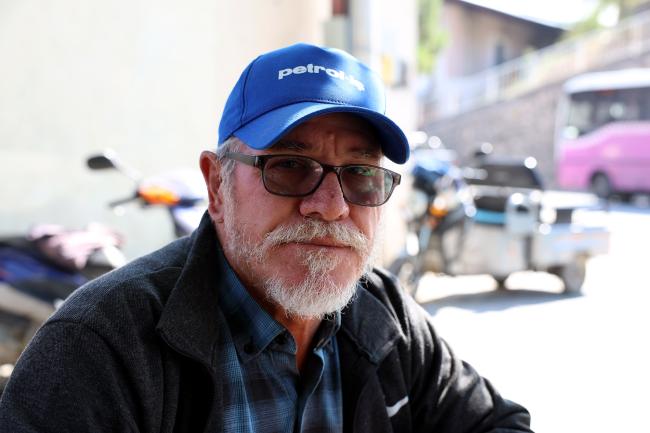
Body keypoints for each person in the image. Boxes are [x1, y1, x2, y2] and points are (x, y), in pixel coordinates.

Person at [0, 43, 532, 432]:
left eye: (360, 174)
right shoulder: (101, 349)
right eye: (290, 166)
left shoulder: (385, 316)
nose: (332, 206)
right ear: (216, 185)